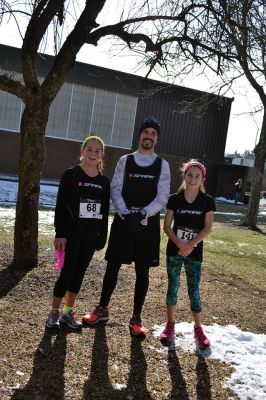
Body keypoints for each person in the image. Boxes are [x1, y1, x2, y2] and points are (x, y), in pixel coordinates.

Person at [82, 117, 171, 337]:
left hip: (147, 224)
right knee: (112, 266)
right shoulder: (125, 160)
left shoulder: (162, 165)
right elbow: (115, 189)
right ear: (140, 135)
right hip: (123, 221)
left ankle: (136, 317)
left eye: (153, 133)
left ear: (157, 138)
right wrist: (125, 213)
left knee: (143, 272)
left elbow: (163, 197)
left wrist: (142, 213)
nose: (148, 136)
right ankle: (102, 308)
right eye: (145, 132)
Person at [46, 136, 110, 330]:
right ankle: (54, 313)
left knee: (79, 274)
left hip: (90, 237)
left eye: (97, 151)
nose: (92, 154)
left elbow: (105, 211)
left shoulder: (103, 182)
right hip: (71, 234)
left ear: (102, 156)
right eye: (89, 149)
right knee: (67, 273)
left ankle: (67, 312)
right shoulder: (71, 175)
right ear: (82, 152)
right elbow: (60, 205)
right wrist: (60, 232)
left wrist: (102, 235)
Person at [159, 160, 216, 348]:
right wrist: (179, 244)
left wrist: (190, 244)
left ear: (202, 179)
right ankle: (170, 325)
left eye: (196, 176)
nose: (192, 179)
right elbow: (167, 226)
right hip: (174, 250)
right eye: (189, 175)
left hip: (194, 251)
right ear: (184, 176)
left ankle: (198, 329)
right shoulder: (175, 198)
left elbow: (208, 228)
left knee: (194, 290)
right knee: (173, 287)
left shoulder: (207, 201)